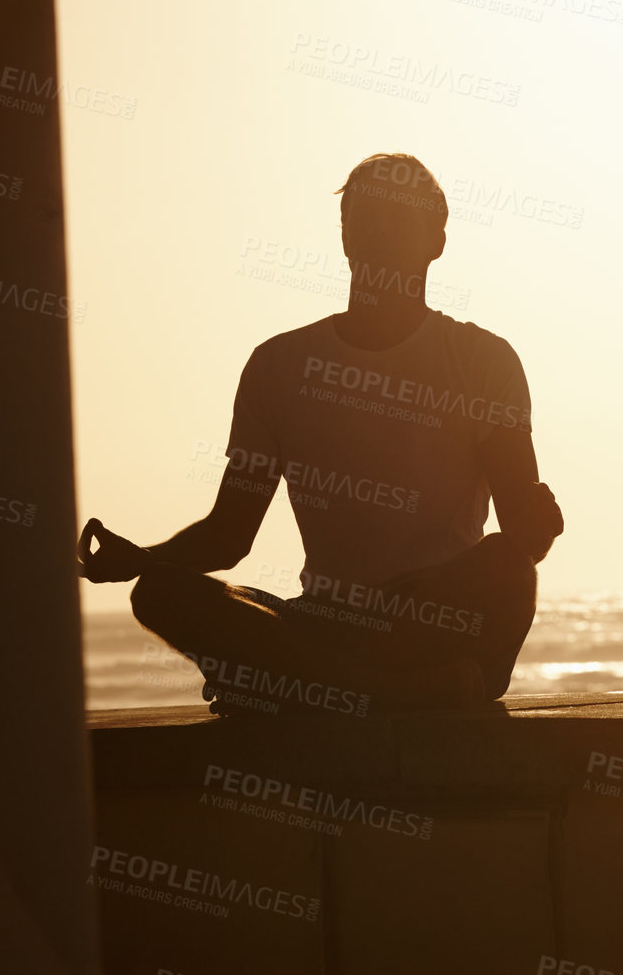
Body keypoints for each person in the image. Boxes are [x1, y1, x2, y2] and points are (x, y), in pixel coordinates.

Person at [78, 153, 562, 716]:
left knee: (505, 567)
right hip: (323, 621)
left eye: (400, 220)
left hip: (431, 619)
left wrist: (538, 528)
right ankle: (381, 693)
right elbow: (230, 535)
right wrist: (140, 558)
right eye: (368, 218)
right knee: (160, 590)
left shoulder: (483, 360)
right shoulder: (278, 365)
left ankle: (310, 687)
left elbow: (521, 538)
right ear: (344, 236)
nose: (382, 233)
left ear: (438, 240)